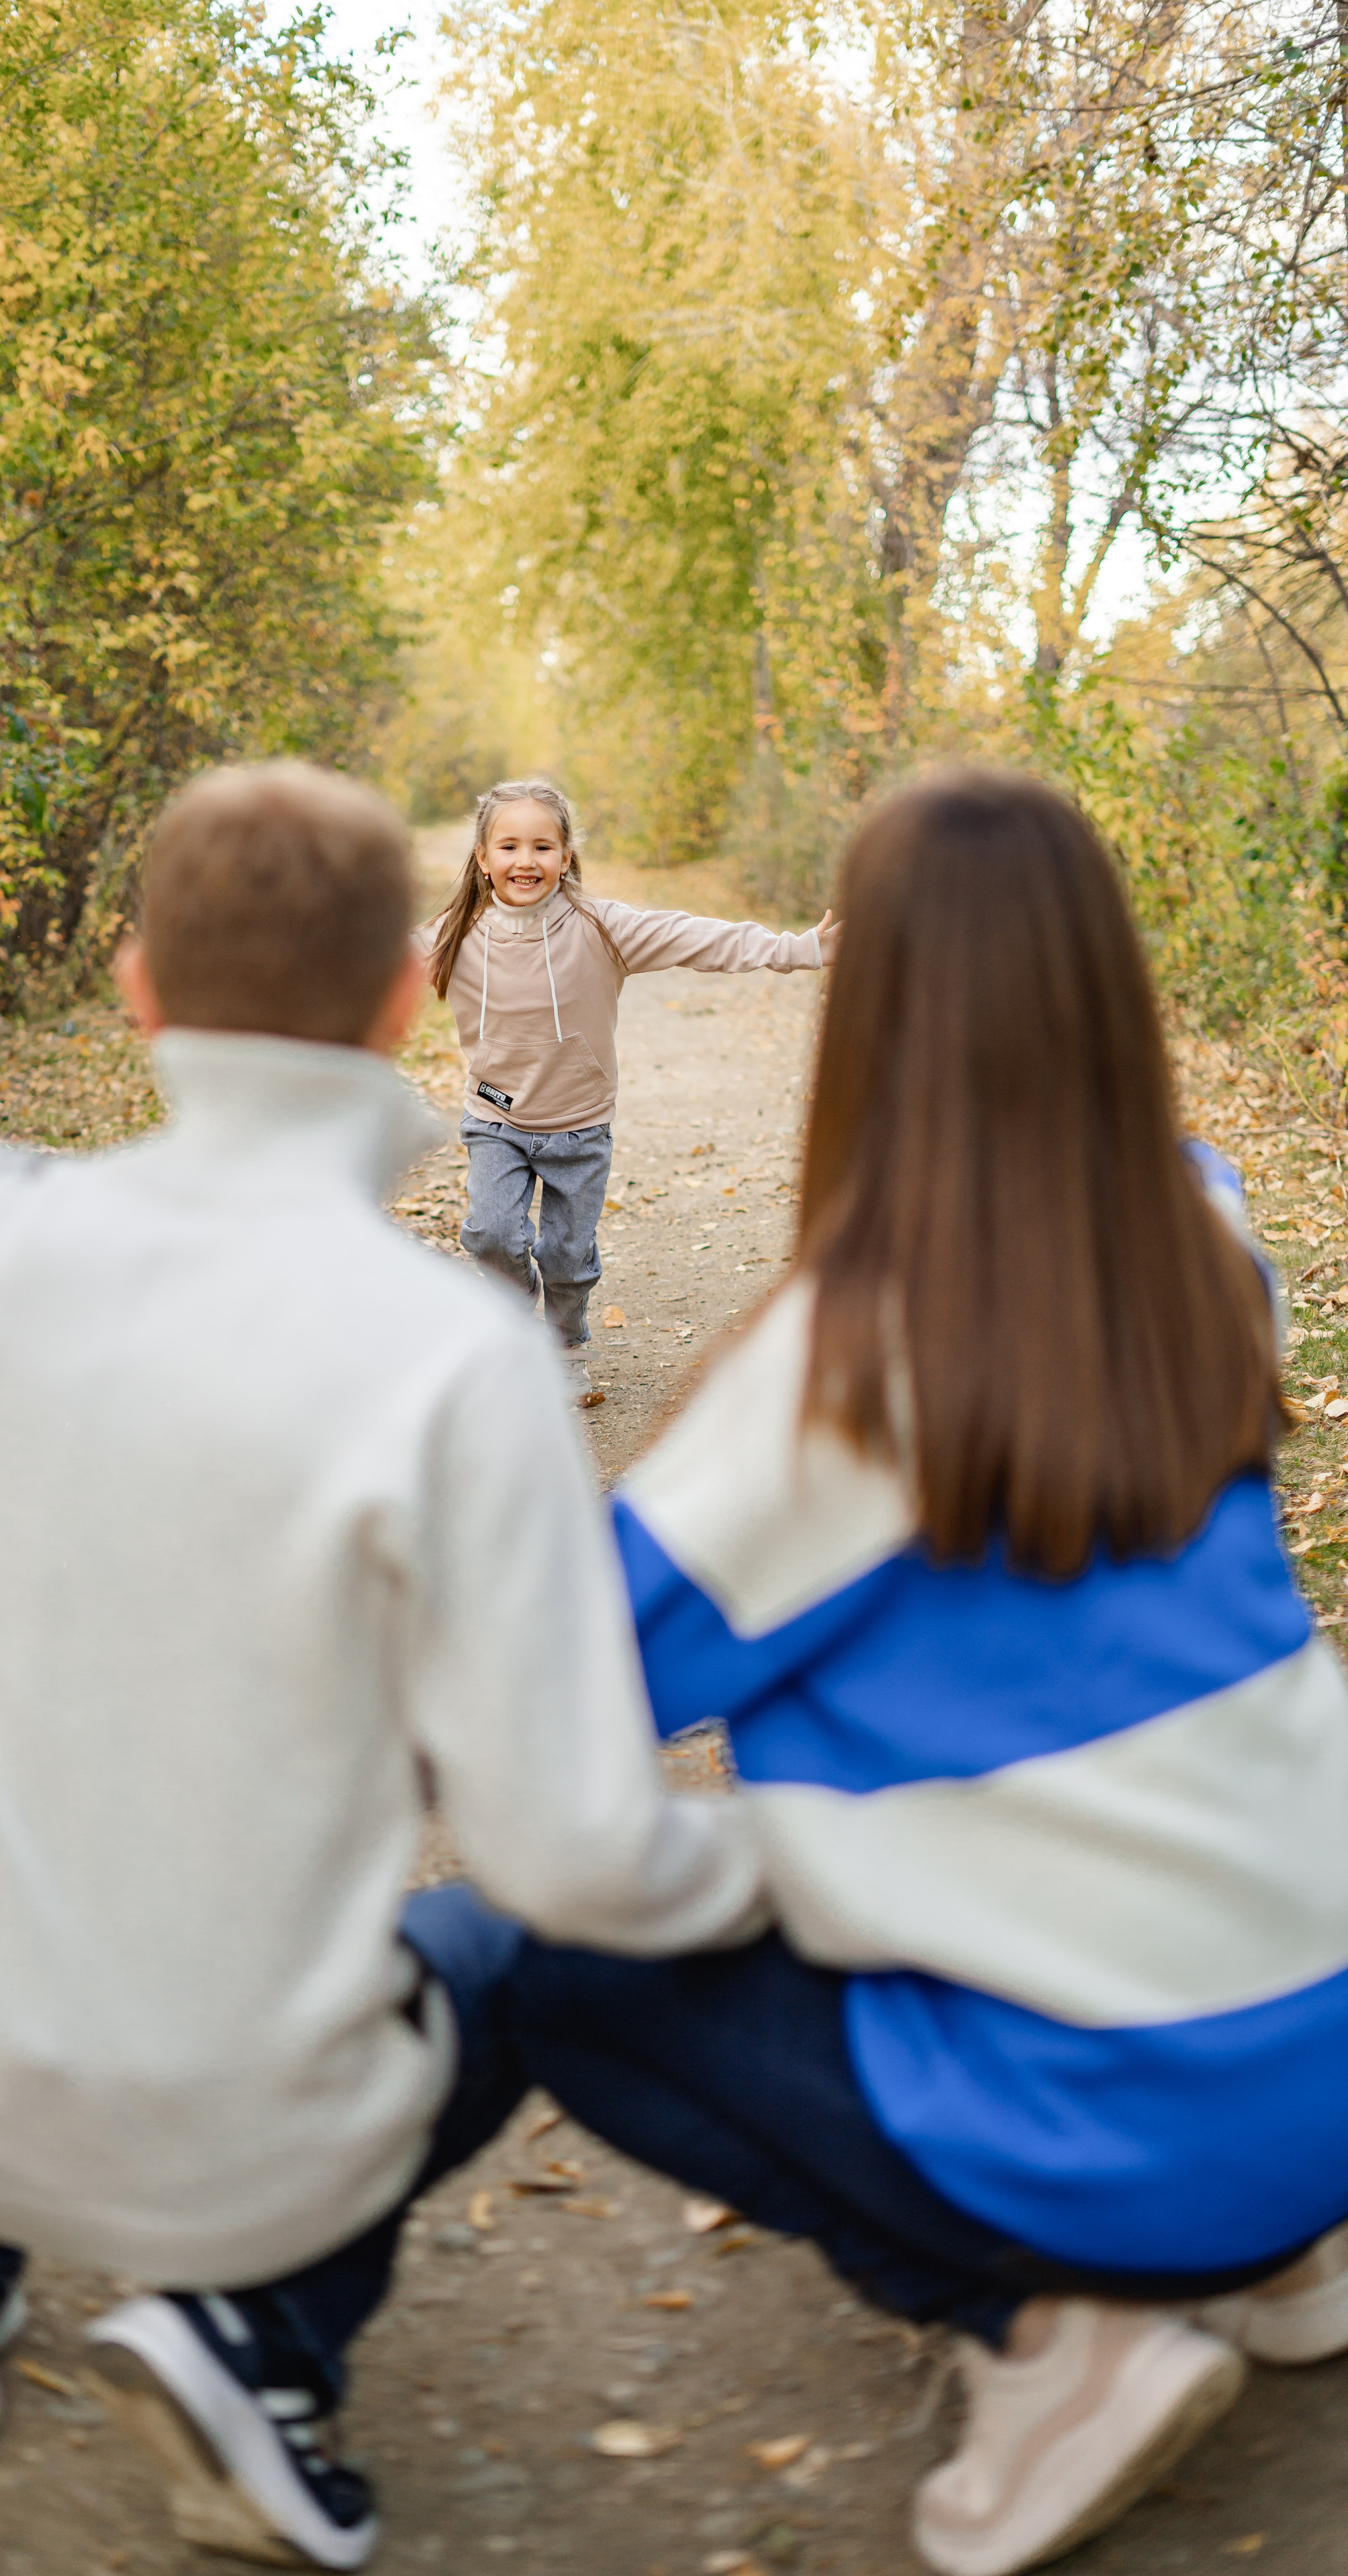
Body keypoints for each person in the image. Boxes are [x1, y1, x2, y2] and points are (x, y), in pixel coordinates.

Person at [0, 763, 766, 2571]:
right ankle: (266, 2336)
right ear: (410, 997)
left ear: (137, 994)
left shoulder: (7, 1242)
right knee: (501, 1936)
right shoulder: (457, 1358)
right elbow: (564, 1847)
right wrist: (773, 1869)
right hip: (235, 2139)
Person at [466, 768, 1348, 2576]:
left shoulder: (836, 1373)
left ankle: (1053, 2341)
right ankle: (1289, 2245)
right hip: (1324, 2051)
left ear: (864, 1016)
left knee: (544, 1962)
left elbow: (557, 1705)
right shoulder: (1217, 1232)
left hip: (1125, 2130)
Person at [420, 777, 839, 1396]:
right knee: (491, 1234)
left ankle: (566, 1345)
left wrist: (797, 948)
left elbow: (695, 936)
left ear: (566, 856)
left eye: (542, 847)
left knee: (566, 1253)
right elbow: (372, 964)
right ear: (482, 858)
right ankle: (515, 1330)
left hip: (580, 1125)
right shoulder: (454, 933)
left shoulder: (600, 926)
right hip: (496, 1118)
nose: (525, 861)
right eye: (508, 847)